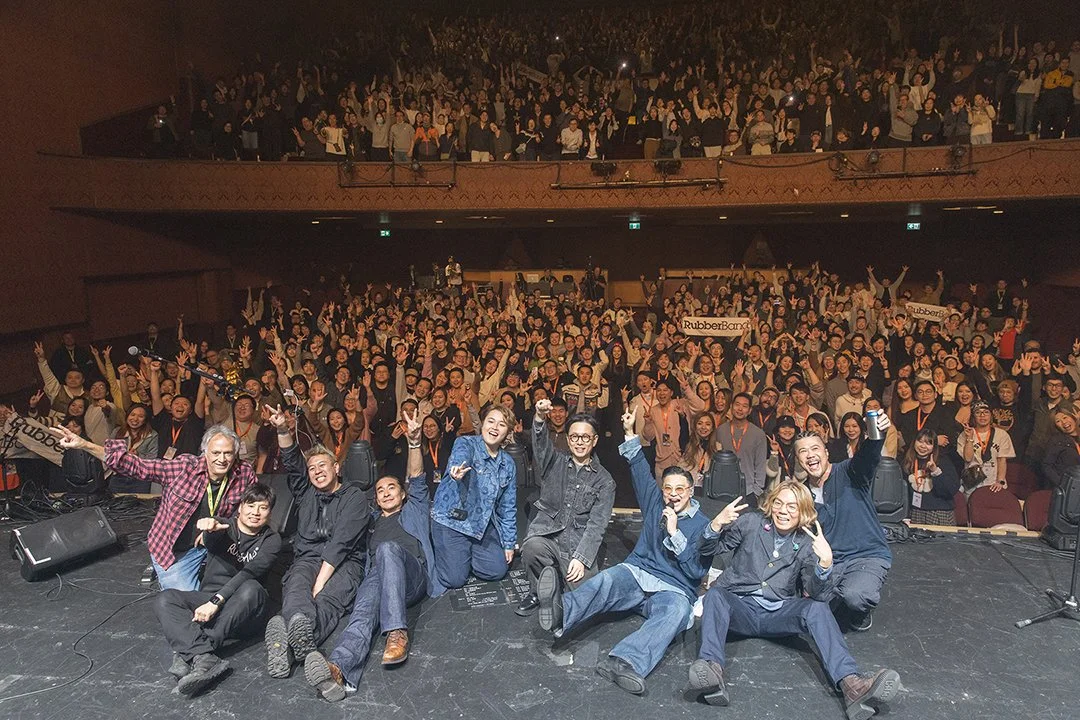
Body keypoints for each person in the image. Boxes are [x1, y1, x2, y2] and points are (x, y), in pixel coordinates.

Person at [536, 407, 711, 696]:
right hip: (638, 574)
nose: (673, 495)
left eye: (680, 489)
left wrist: (675, 533)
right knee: (605, 581)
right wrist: (630, 432)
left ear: (691, 491)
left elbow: (695, 572)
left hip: (673, 591)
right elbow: (639, 468)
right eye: (668, 489)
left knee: (677, 614)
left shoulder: (704, 526)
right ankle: (560, 613)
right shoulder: (656, 503)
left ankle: (624, 662)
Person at [688, 481, 900, 717]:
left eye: (791, 506)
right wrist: (715, 525)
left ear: (803, 512)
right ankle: (712, 672)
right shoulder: (750, 523)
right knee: (716, 595)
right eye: (778, 503)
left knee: (817, 609)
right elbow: (708, 551)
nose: (783, 511)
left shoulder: (808, 543)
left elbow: (817, 593)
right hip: (740, 609)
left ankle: (852, 685)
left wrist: (825, 565)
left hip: (778, 613)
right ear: (770, 505)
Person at [304, 410, 443, 702]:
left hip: (412, 577)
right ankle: (339, 669)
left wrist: (415, 443)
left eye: (392, 487)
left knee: (388, 549)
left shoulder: (414, 508)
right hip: (379, 578)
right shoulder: (370, 521)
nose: (386, 493)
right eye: (380, 490)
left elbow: (416, 476)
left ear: (403, 494)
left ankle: (396, 632)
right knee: (364, 609)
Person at [51, 423, 255, 591]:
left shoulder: (243, 473)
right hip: (178, 550)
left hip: (215, 546)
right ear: (204, 452)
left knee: (238, 593)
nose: (222, 459)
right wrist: (85, 444)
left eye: (228, 453)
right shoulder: (184, 467)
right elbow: (137, 466)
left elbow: (252, 507)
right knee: (189, 603)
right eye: (216, 452)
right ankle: (164, 571)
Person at [264, 404, 369, 680]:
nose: (317, 471)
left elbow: (341, 545)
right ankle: (298, 639)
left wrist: (319, 583)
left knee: (327, 599)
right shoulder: (306, 492)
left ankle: (286, 641)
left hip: (345, 563)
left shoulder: (354, 497)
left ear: (337, 468)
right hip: (308, 558)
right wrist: (283, 429)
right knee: (298, 586)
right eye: (312, 468)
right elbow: (291, 459)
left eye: (323, 465)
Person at [153, 483, 282, 696]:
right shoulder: (224, 527)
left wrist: (216, 602)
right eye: (250, 505)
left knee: (251, 588)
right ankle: (203, 657)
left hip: (245, 610)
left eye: (263, 507)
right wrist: (210, 528)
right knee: (165, 599)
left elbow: (247, 574)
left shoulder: (272, 540)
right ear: (240, 507)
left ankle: (193, 652)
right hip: (209, 598)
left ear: (269, 512)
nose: (255, 512)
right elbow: (214, 530)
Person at [516, 399, 616, 616]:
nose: (580, 442)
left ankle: (558, 583)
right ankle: (537, 591)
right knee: (532, 547)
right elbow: (541, 443)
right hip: (548, 534)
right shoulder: (554, 462)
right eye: (574, 437)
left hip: (577, 544)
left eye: (585, 437)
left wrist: (581, 559)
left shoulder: (605, 481)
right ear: (568, 440)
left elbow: (597, 525)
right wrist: (540, 418)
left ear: (594, 440)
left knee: (587, 604)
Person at [794, 411, 893, 631]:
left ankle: (859, 609)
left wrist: (877, 435)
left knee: (855, 596)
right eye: (803, 451)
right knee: (808, 612)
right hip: (830, 563)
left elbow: (867, 456)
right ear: (799, 460)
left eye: (815, 449)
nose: (810, 455)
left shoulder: (850, 472)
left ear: (826, 452)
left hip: (865, 556)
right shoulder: (800, 493)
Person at [430, 405, 517, 588]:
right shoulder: (465, 443)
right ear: (482, 424)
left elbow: (507, 507)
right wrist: (457, 471)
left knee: (496, 570)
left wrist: (509, 543)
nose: (494, 427)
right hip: (452, 521)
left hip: (481, 524)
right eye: (491, 421)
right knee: (454, 580)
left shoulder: (508, 463)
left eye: (501, 424)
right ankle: (454, 556)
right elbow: (461, 458)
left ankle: (464, 556)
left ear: (508, 432)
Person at [714, 393, 769, 503]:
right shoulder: (721, 430)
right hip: (723, 489)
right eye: (737, 405)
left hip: (748, 491)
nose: (740, 409)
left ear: (749, 411)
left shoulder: (758, 434)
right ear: (731, 407)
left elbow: (760, 464)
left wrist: (756, 491)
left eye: (744, 406)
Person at [903, 428, 962, 525]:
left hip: (939, 513)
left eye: (928, 443)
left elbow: (951, 490)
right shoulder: (908, 462)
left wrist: (935, 471)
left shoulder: (943, 461)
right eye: (920, 441)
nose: (923, 446)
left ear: (934, 446)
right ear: (914, 442)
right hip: (916, 512)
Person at [956, 400, 1015, 494]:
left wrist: (1000, 481)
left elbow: (1002, 460)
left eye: (986, 412)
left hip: (994, 483)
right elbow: (968, 458)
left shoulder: (1001, 435)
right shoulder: (965, 434)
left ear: (991, 415)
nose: (982, 415)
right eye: (978, 413)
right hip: (973, 483)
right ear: (973, 416)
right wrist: (969, 438)